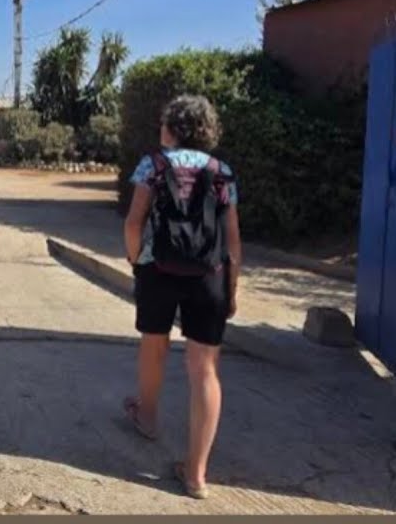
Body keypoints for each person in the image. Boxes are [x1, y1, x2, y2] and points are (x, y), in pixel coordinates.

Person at [121, 94, 241, 500]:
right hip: (209, 275)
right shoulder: (222, 172)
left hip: (159, 270)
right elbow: (233, 239)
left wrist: (136, 260)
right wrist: (232, 287)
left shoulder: (152, 166)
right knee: (204, 369)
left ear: (173, 127)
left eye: (163, 122)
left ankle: (149, 418)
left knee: (154, 344)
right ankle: (196, 474)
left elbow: (134, 222)